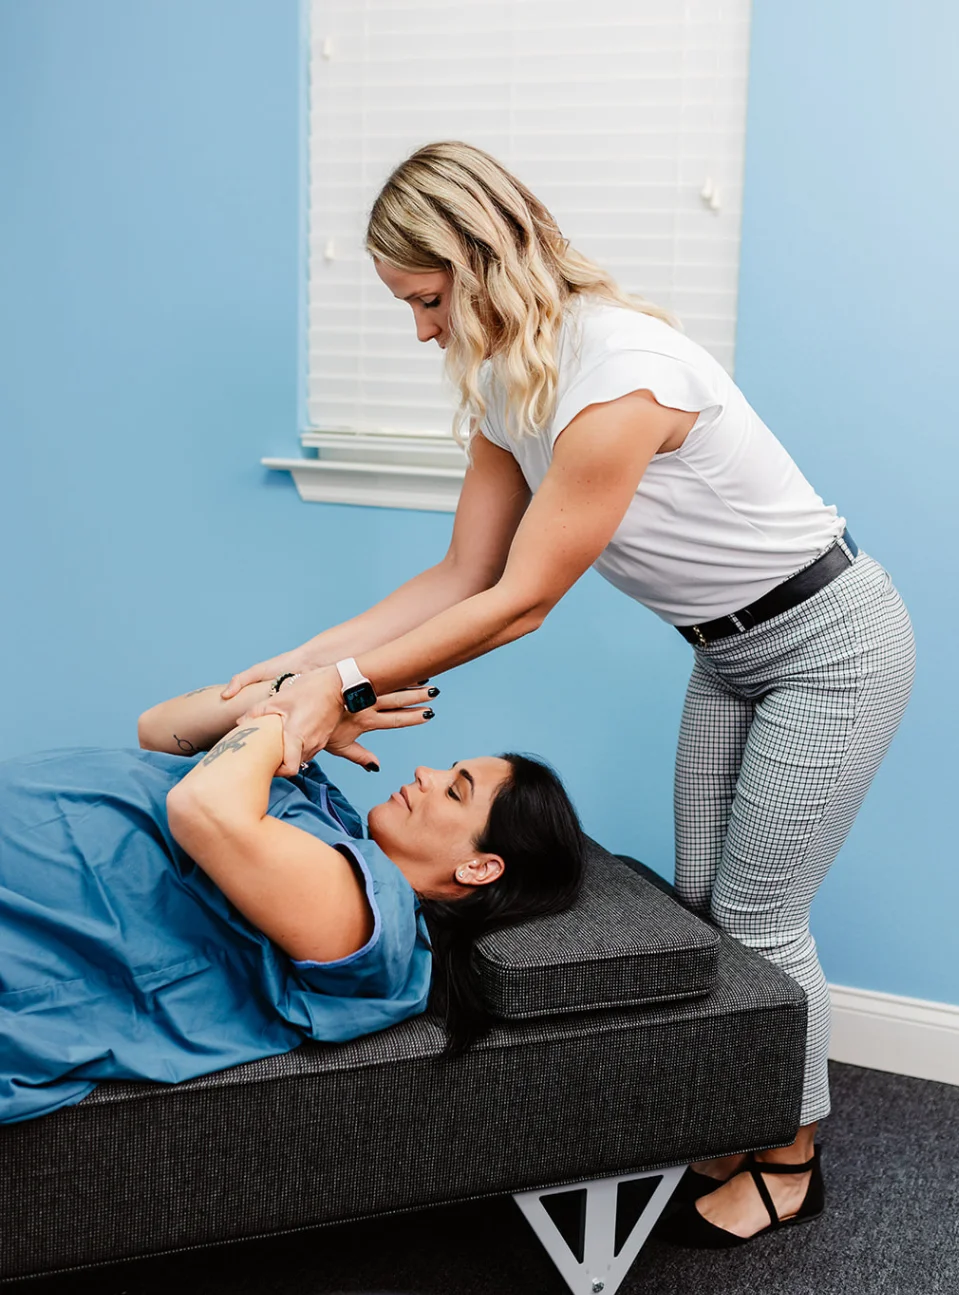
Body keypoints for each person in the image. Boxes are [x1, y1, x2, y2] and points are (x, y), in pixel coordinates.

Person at [222, 140, 917, 1245]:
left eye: (428, 299)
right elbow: (461, 572)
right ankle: (736, 1114)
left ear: (479, 262)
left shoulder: (617, 374)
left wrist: (342, 687)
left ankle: (790, 1155)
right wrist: (290, 668)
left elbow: (521, 601)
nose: (422, 331)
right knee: (702, 907)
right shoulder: (513, 380)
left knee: (758, 918)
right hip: (726, 653)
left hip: (831, 643)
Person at [0, 675, 583, 1125]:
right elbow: (159, 729)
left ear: (479, 867)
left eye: (455, 791)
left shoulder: (377, 923)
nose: (426, 772)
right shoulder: (338, 825)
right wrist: (301, 695)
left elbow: (202, 808)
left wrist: (298, 713)